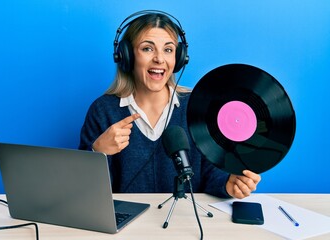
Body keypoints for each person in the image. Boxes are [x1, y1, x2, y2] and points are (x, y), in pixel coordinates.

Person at [79, 11, 261, 199]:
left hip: (186, 222)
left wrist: (228, 184)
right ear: (127, 57)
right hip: (128, 224)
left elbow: (211, 174)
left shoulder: (197, 107)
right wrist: (97, 152)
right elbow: (85, 191)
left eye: (168, 50)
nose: (159, 59)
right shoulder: (102, 111)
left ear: (179, 58)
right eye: (147, 49)